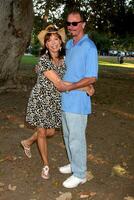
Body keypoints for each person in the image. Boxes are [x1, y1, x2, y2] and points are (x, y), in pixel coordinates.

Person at [21, 25, 94, 180]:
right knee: (41, 132)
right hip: (40, 99)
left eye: (56, 39)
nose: (53, 42)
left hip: (55, 100)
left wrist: (88, 83)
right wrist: (83, 88)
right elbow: (60, 84)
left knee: (51, 132)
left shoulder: (63, 59)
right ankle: (46, 165)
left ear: (61, 42)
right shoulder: (43, 60)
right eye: (49, 40)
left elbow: (71, 76)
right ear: (45, 45)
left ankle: (27, 141)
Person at [58, 9, 98, 188]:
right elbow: (70, 69)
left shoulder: (89, 46)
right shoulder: (69, 45)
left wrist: (72, 86)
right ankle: (74, 164)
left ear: (83, 24)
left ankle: (80, 173)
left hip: (78, 101)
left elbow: (92, 77)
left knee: (76, 138)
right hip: (65, 98)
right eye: (68, 23)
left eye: (75, 23)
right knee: (67, 135)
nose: (71, 26)